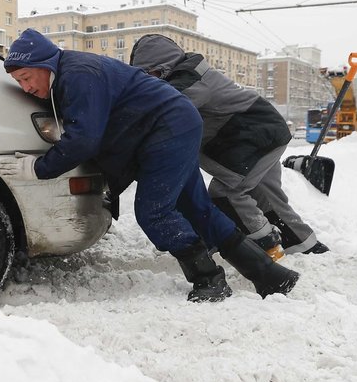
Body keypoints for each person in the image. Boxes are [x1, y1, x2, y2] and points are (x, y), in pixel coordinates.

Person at [0, 28, 300, 302]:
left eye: (27, 78)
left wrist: (36, 168)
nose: (25, 87)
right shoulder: (70, 73)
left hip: (167, 129)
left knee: (154, 212)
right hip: (173, 125)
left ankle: (209, 279)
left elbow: (84, 140)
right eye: (19, 82)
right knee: (198, 208)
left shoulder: (77, 75)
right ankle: (271, 276)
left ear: (46, 65)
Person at [130, 34, 328, 258]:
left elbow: (158, 114)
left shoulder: (187, 82)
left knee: (226, 193)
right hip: (268, 130)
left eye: (150, 73)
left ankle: (264, 248)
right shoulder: (193, 73)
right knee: (266, 196)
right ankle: (305, 245)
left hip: (253, 137)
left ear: (164, 66)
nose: (148, 80)